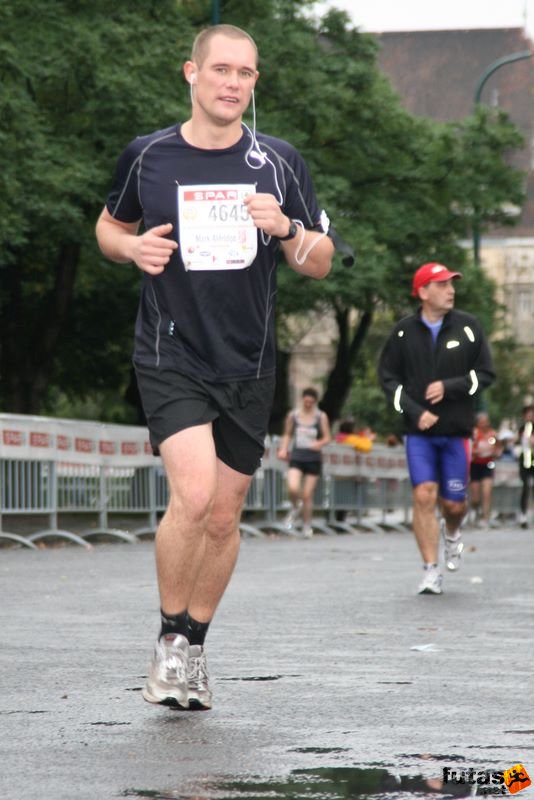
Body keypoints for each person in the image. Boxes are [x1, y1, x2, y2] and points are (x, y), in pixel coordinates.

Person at [95, 24, 334, 710]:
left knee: (225, 517)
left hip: (249, 362)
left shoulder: (278, 162)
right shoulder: (149, 157)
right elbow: (109, 227)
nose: (234, 83)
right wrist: (131, 250)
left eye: (247, 73)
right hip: (171, 353)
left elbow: (319, 260)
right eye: (222, 69)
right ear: (191, 74)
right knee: (194, 496)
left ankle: (194, 647)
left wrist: (287, 229)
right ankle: (170, 642)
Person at [378, 262, 495, 595]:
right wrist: (415, 412)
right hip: (419, 433)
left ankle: (454, 533)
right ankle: (431, 570)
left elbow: (485, 376)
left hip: (457, 431)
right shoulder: (402, 332)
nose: (450, 290)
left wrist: (451, 386)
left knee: (454, 505)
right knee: (423, 495)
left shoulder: (469, 327)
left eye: (451, 284)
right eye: (442, 284)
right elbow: (389, 381)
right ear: (423, 292)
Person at [277, 388, 331, 537]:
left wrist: (318, 444)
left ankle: (307, 525)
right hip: (297, 457)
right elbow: (287, 434)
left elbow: (327, 437)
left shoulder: (321, 416)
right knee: (293, 487)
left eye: (311, 402)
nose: (308, 404)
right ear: (302, 400)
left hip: (313, 459)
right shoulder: (293, 415)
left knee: (307, 495)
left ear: (315, 402)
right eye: (306, 401)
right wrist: (283, 448)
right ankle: (295, 507)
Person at [469, 411, 500, 528]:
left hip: (488, 465)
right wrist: (480, 452)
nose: (484, 425)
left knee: (487, 491)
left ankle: (486, 517)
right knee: (476, 497)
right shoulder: (475, 433)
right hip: (475, 465)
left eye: (485, 422)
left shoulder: (492, 434)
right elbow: (469, 449)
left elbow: (498, 448)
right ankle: (476, 513)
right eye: (481, 422)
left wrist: (495, 452)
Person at [516, 404, 534, 528]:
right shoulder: (523, 428)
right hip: (525, 460)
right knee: (526, 487)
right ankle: (523, 514)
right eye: (528, 414)